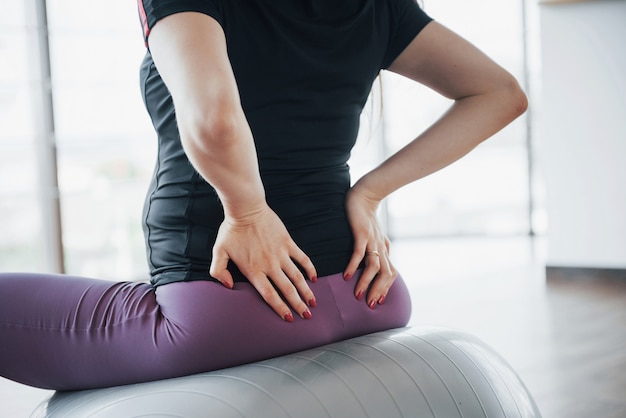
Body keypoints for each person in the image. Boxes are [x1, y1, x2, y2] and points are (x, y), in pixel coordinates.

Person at [0, 0, 527, 391]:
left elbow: (213, 115)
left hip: (227, 308)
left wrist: (247, 212)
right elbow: (499, 93)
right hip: (368, 293)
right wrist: (368, 194)